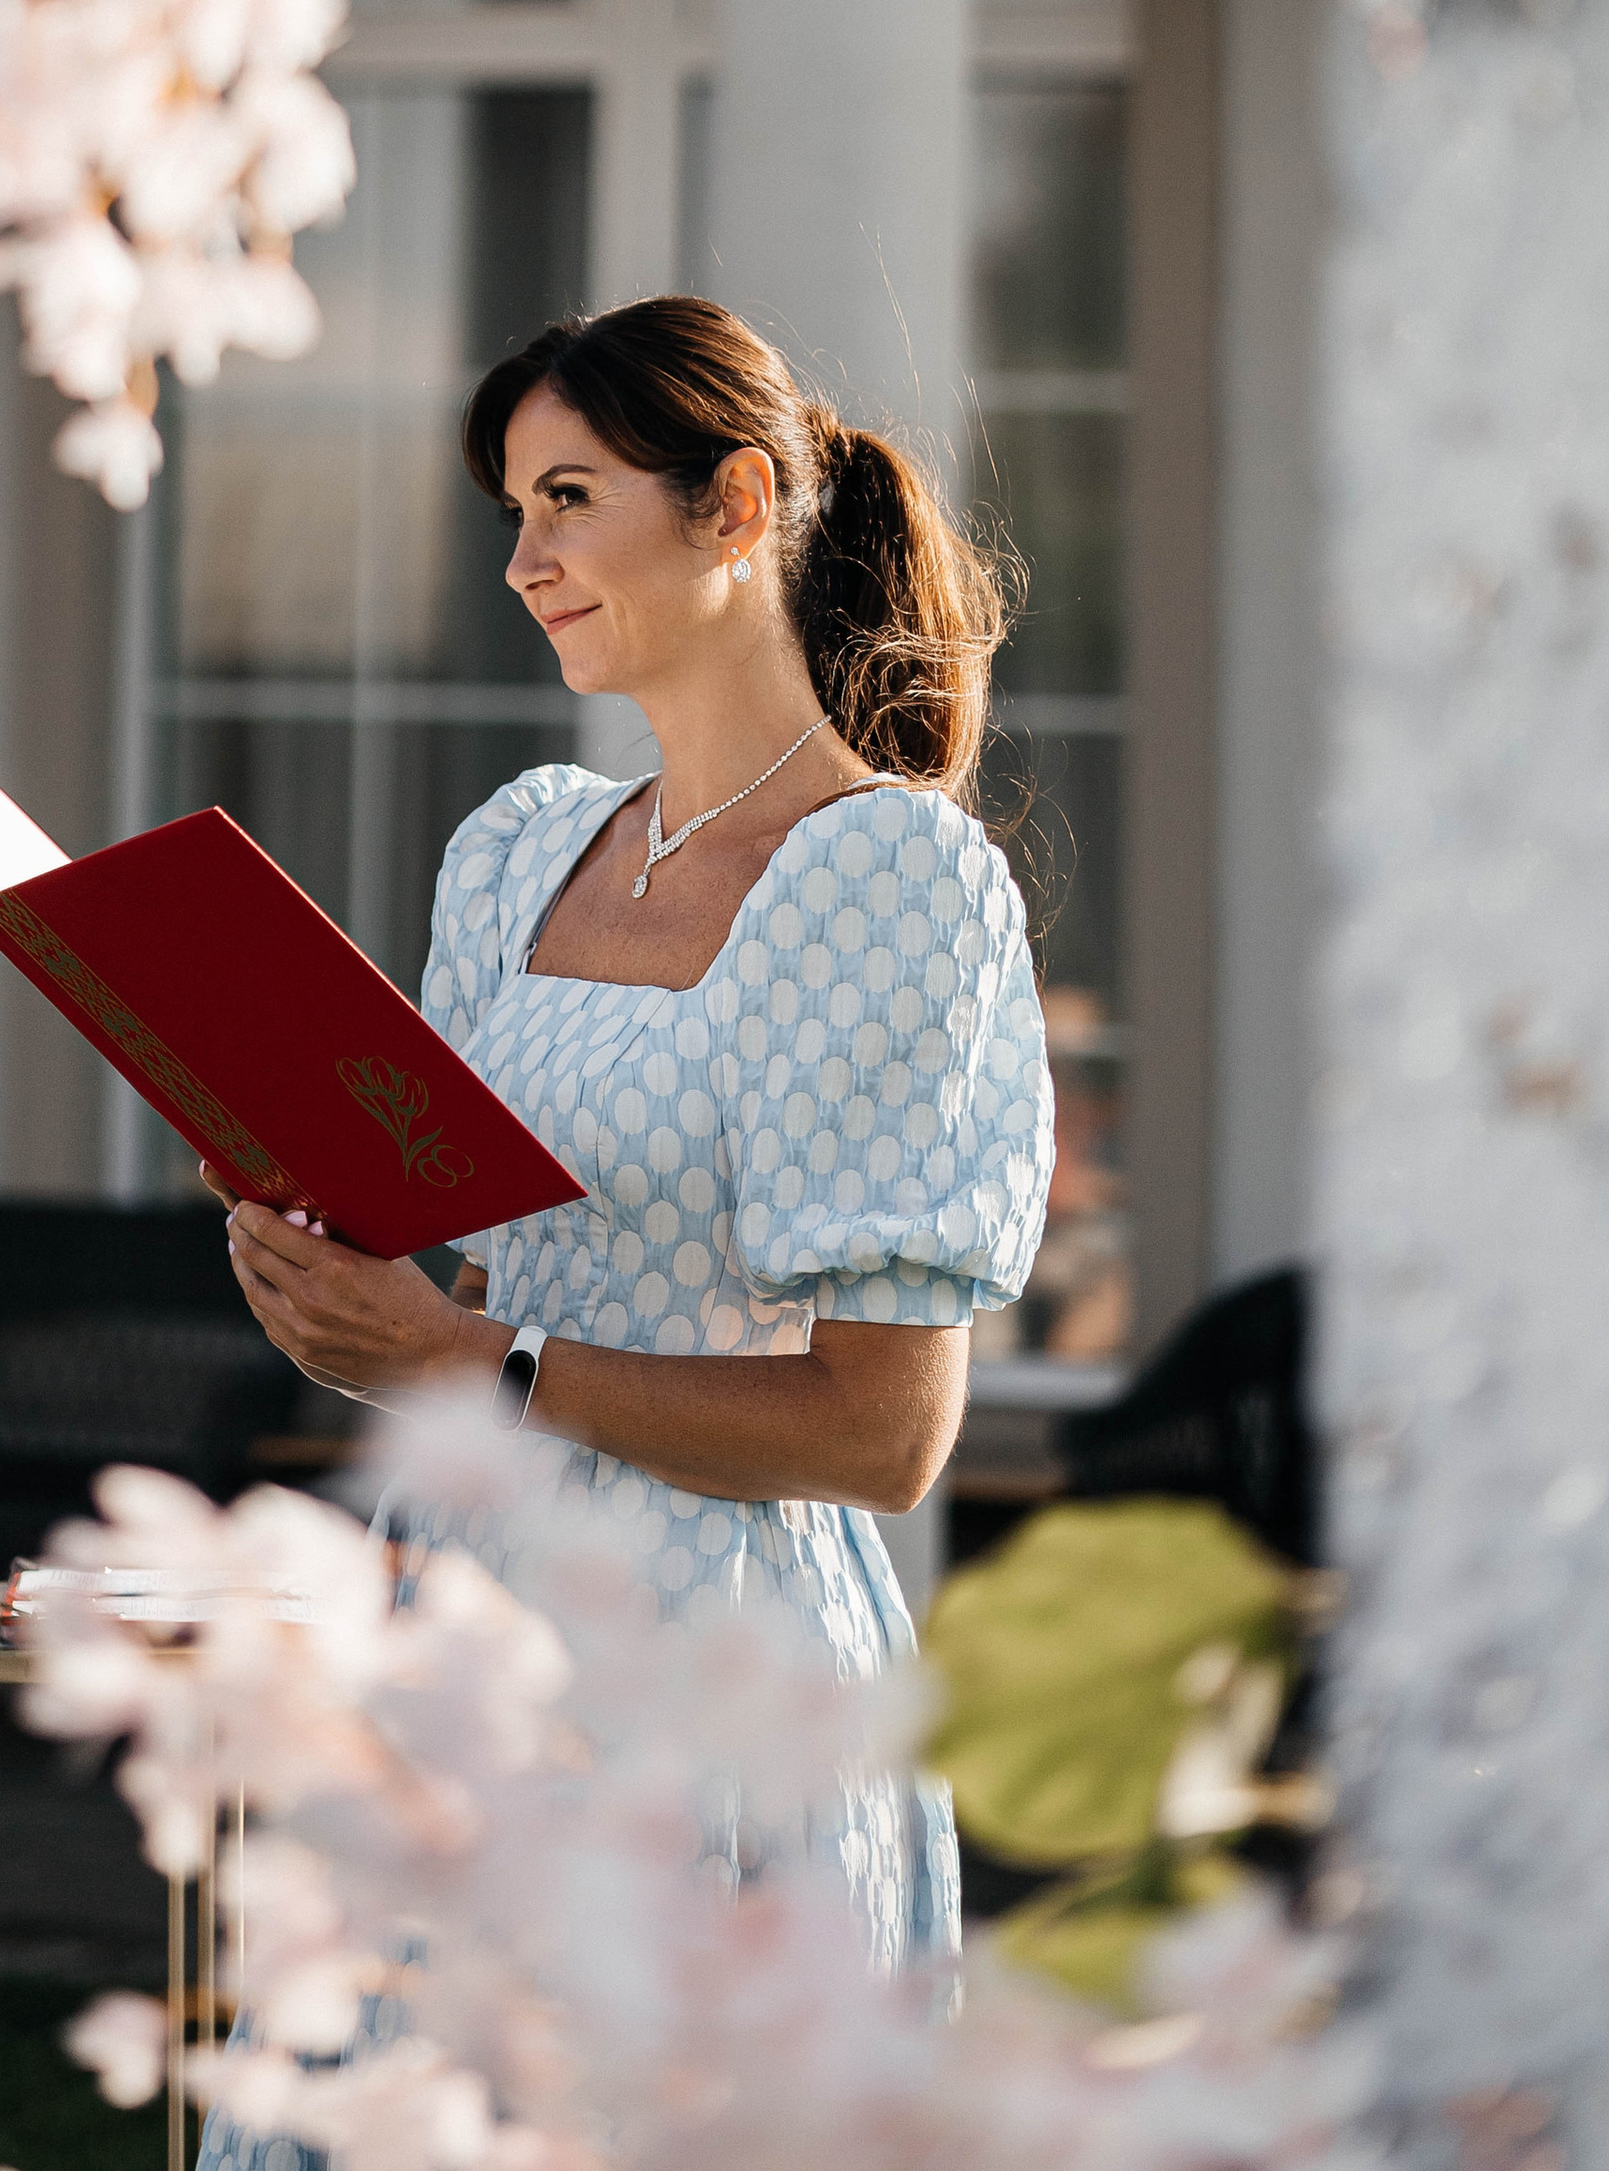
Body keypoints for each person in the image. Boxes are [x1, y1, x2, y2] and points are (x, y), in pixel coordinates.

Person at [211, 293, 1053, 1973]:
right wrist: (339, 1274)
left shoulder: (892, 879)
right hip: (465, 1630)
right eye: (514, 512)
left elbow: (885, 1437)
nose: (524, 561)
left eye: (570, 499)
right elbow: (482, 1292)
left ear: (734, 505)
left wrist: (471, 1362)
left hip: (712, 1671)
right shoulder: (520, 851)